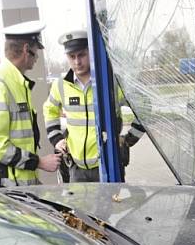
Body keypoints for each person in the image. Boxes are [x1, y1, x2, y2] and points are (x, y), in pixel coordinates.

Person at [44, 29, 146, 183]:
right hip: (76, 169)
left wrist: (129, 139)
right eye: (72, 57)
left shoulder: (112, 83)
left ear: (90, 52)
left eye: (81, 55)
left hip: (107, 166)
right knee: (79, 208)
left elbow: (145, 107)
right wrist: (56, 139)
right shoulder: (60, 85)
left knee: (110, 207)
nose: (77, 62)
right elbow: (49, 110)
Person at [0, 20, 59, 187]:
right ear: (27, 50)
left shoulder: (17, 83)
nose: (37, 58)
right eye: (36, 51)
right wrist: (39, 162)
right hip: (5, 190)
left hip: (17, 186)